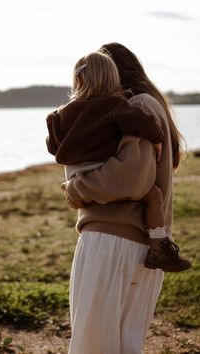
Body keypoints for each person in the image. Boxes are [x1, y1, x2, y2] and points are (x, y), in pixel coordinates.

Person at [56, 43, 191, 354]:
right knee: (124, 346)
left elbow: (131, 177)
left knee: (93, 345)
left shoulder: (135, 107)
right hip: (140, 242)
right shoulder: (146, 107)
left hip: (113, 240)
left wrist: (75, 189)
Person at [46, 51, 190, 273]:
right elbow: (140, 123)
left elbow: (53, 146)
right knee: (154, 196)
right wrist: (157, 137)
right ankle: (159, 245)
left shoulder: (58, 115)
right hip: (102, 177)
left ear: (78, 79)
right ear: (113, 79)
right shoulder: (116, 106)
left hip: (77, 175)